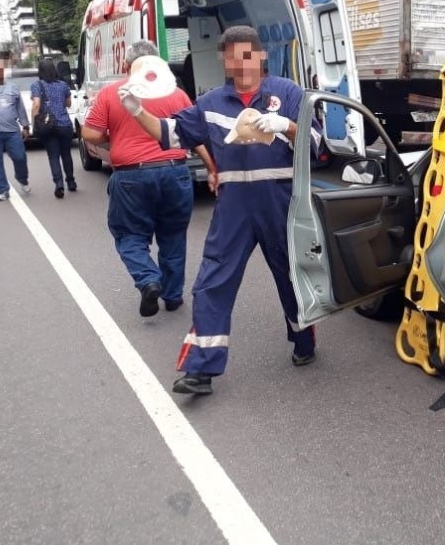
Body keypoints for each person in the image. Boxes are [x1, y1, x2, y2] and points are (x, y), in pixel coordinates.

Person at [118, 25, 326, 396]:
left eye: (247, 55)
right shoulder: (211, 102)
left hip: (281, 200)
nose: (240, 63)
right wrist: (136, 111)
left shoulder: (288, 93)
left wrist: (287, 125)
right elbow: (171, 135)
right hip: (234, 205)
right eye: (232, 56)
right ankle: (201, 369)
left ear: (260, 56)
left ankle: (303, 341)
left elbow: (316, 145)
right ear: (223, 61)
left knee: (291, 278)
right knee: (212, 281)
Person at [81, 40, 215, 318]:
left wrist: (114, 135)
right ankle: (173, 296)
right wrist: (212, 167)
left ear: (128, 67)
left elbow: (89, 134)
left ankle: (148, 280)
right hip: (175, 171)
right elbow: (194, 134)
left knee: (130, 235)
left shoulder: (112, 92)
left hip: (132, 176)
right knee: (173, 235)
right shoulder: (176, 93)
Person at [31, 58, 76, 198]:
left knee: (53, 156)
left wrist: (34, 122)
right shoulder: (63, 85)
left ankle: (59, 185)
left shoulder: (37, 85)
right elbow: (68, 104)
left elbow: (36, 105)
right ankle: (71, 182)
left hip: (48, 125)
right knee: (66, 154)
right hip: (64, 124)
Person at [0, 54, 30, 200]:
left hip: (12, 132)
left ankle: (22, 178)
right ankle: (3, 189)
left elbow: (21, 109)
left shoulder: (13, 88)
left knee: (20, 157)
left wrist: (25, 126)